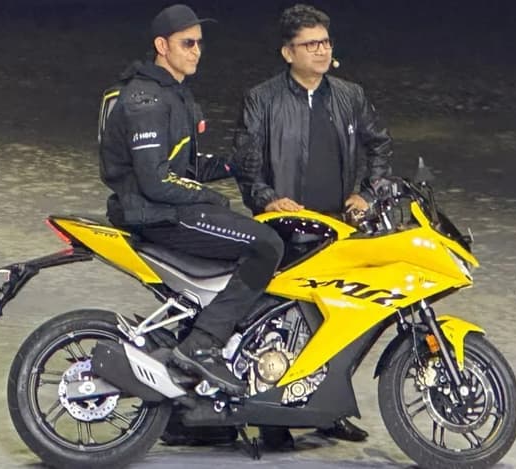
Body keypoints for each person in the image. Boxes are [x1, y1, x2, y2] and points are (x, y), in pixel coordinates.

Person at [99, 4, 284, 397]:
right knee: (267, 245)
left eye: (199, 43)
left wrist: (231, 165)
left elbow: (181, 168)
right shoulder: (147, 100)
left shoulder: (171, 93)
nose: (197, 51)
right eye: (187, 43)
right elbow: (156, 181)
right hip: (153, 212)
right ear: (161, 46)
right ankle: (202, 342)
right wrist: (212, 197)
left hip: (162, 207)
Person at [233, 4, 395, 447]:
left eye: (325, 42)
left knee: (338, 324)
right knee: (280, 324)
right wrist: (268, 200)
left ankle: (329, 410)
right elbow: (246, 166)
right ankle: (272, 419)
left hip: (337, 232)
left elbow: (380, 146)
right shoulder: (262, 99)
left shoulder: (349, 95)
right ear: (288, 53)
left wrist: (368, 194)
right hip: (284, 231)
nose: (322, 51)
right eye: (310, 44)